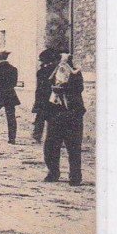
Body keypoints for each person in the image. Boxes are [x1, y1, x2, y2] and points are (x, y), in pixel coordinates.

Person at [43, 54, 86, 186]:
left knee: (73, 147)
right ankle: (53, 172)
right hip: (55, 114)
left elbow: (79, 88)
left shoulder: (76, 74)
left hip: (72, 114)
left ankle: (75, 176)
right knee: (50, 146)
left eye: (64, 63)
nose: (62, 65)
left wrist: (64, 89)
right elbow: (44, 91)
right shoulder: (52, 73)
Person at [32, 49, 58, 143]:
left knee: (40, 117)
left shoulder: (41, 71)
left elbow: (39, 87)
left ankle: (37, 135)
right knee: (53, 118)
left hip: (42, 97)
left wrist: (37, 101)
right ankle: (54, 137)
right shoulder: (56, 70)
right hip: (53, 97)